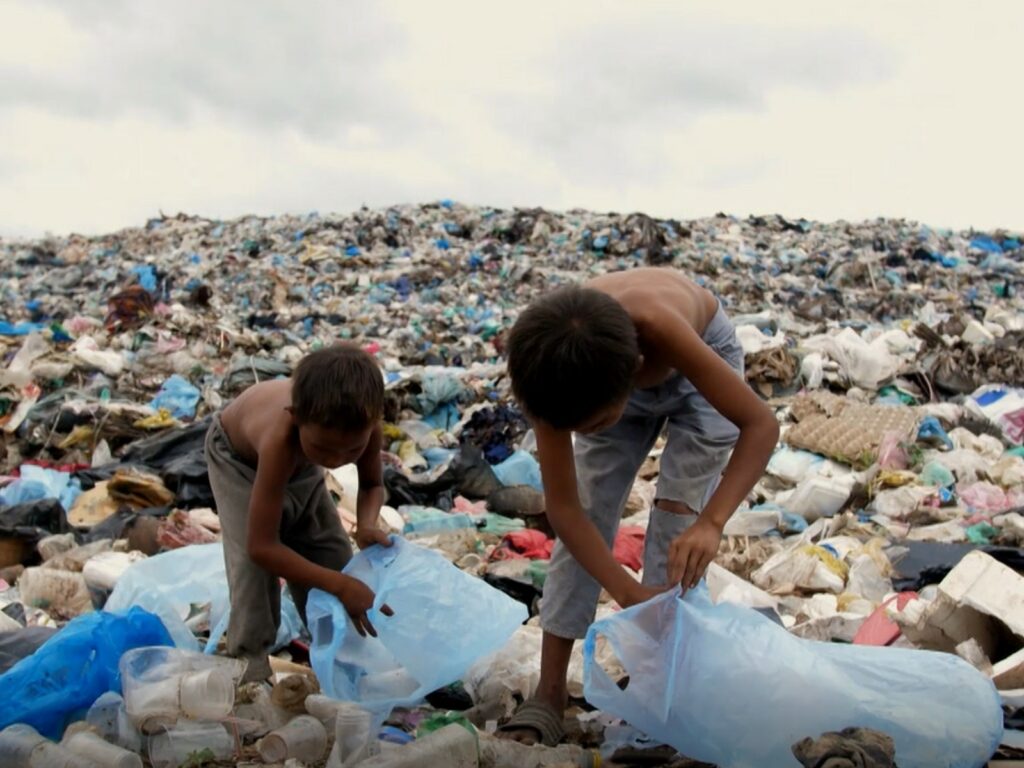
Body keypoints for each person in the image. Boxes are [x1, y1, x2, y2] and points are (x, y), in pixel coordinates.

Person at [498, 268, 779, 745]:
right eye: (577, 429)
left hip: (699, 355)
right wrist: (624, 591)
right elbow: (566, 511)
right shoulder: (550, 372)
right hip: (602, 378)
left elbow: (761, 425)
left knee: (678, 528)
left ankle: (659, 694)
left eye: (596, 424)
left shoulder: (660, 329)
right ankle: (549, 695)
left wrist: (711, 522)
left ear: (629, 378)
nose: (586, 436)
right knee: (588, 518)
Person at [204, 344, 394, 682]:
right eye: (326, 449)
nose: (336, 460)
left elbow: (371, 486)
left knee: (333, 555)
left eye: (351, 449)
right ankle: (249, 667)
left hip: (303, 463)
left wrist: (366, 525)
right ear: (296, 417)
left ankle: (342, 658)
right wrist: (338, 585)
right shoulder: (281, 437)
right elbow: (261, 546)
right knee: (254, 574)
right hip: (238, 459)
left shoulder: (358, 428)